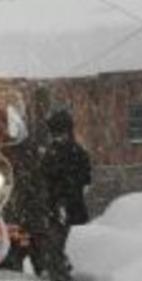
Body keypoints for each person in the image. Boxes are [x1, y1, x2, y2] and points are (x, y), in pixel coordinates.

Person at [0, 103, 72, 281]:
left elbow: (37, 191)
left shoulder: (28, 156)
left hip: (38, 223)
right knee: (23, 253)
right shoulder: (8, 158)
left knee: (47, 263)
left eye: (2, 129)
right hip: (24, 222)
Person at [41, 108, 92, 271]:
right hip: (56, 204)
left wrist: (63, 197)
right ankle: (58, 266)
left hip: (64, 204)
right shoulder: (56, 152)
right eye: (55, 134)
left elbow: (83, 178)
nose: (57, 137)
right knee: (54, 241)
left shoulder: (72, 152)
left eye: (59, 133)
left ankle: (59, 267)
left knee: (56, 240)